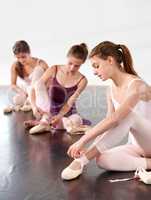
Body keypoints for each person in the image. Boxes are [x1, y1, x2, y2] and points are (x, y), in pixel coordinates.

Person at [61, 41, 151, 181]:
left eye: (96, 66)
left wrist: (82, 141)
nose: (94, 71)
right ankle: (148, 164)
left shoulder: (137, 86)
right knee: (102, 159)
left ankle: (81, 161)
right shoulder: (110, 90)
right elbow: (109, 123)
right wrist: (91, 146)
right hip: (138, 147)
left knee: (128, 116)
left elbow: (115, 119)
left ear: (110, 60)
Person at [27, 43, 91, 134]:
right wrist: (33, 107)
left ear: (82, 63)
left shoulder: (83, 80)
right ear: (67, 57)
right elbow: (34, 89)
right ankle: (49, 122)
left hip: (66, 112)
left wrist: (60, 116)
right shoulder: (54, 69)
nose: (72, 68)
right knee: (38, 84)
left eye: (77, 66)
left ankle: (45, 123)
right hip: (48, 108)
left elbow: (69, 104)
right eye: (70, 63)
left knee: (76, 120)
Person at [3, 40, 48, 113]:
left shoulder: (41, 63)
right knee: (15, 99)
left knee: (38, 70)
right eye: (18, 57)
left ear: (29, 52)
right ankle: (30, 101)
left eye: (23, 57)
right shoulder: (15, 66)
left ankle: (31, 102)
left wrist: (34, 92)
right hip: (27, 89)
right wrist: (22, 92)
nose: (21, 60)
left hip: (39, 90)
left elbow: (50, 80)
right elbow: (13, 84)